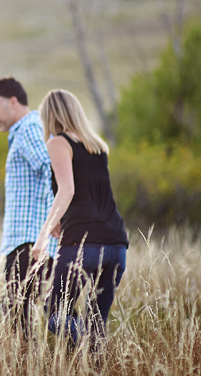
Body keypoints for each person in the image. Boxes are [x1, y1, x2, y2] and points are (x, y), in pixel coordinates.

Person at [31, 89, 129, 349]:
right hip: (117, 245)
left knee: (55, 313)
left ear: (51, 116)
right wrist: (63, 221)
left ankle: (84, 350)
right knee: (97, 324)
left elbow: (68, 189)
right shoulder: (98, 147)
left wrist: (43, 235)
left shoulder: (58, 143)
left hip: (83, 245)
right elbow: (90, 193)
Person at [0, 76, 57, 333]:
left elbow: (52, 170)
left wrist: (52, 224)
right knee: (40, 313)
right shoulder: (26, 130)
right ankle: (84, 357)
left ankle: (88, 356)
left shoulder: (28, 130)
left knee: (18, 317)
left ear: (12, 102)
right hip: (29, 240)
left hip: (31, 241)